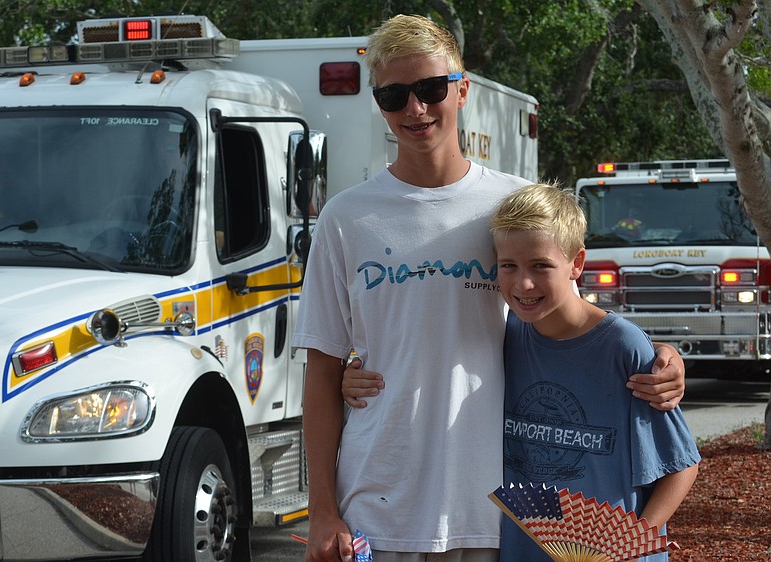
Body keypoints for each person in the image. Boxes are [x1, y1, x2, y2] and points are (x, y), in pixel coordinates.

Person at [293, 14, 686, 562]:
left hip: (498, 515)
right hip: (377, 511)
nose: (415, 109)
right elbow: (322, 371)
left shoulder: (510, 206)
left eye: (431, 89)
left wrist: (660, 355)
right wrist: (322, 510)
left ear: (462, 90)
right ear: (378, 102)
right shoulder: (345, 218)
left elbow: (570, 323)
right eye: (394, 95)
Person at [490, 182, 699, 561]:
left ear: (577, 263)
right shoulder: (505, 334)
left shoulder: (622, 346)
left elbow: (681, 467)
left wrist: (630, 543)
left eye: (540, 265)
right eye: (509, 265)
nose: (523, 283)